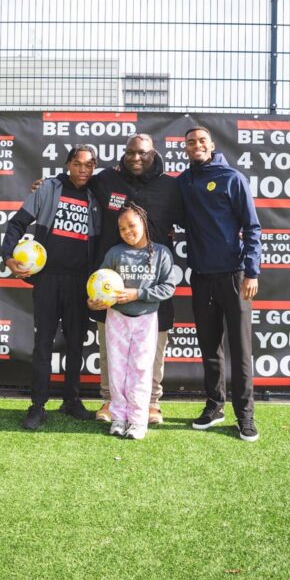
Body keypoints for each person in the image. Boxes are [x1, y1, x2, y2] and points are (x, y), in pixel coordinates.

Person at [2, 145, 101, 430]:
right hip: (48, 281)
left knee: (75, 344)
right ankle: (38, 405)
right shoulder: (48, 189)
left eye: (90, 165)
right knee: (43, 342)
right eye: (78, 163)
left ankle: (71, 400)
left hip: (80, 282)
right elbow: (18, 222)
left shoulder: (98, 193)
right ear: (68, 163)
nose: (84, 170)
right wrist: (8, 255)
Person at [88, 134, 183, 425]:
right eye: (130, 153)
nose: (136, 158)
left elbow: (197, 214)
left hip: (153, 281)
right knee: (110, 345)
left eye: (142, 153)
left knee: (154, 344)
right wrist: (47, 186)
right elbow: (75, 186)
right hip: (112, 277)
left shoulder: (170, 185)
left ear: (153, 153)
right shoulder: (106, 180)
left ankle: (152, 403)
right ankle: (110, 399)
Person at [177, 126, 262, 441]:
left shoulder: (232, 178)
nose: (196, 145)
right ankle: (215, 407)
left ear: (211, 145)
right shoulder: (184, 182)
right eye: (190, 142)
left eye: (201, 141)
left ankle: (245, 417)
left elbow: (252, 228)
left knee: (240, 351)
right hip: (200, 277)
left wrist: (252, 272)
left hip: (235, 277)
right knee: (209, 349)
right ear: (185, 148)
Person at [89, 202, 177, 440]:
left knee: (140, 369)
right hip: (116, 317)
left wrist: (137, 294)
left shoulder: (161, 253)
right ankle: (118, 417)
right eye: (122, 229)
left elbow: (168, 287)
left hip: (146, 319)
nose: (128, 231)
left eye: (132, 225)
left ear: (144, 224)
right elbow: (98, 284)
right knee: (117, 369)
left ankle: (138, 420)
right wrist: (95, 301)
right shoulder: (115, 253)